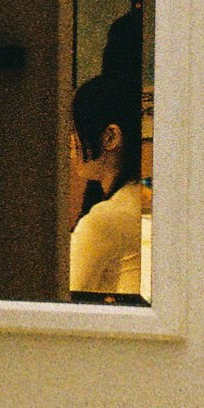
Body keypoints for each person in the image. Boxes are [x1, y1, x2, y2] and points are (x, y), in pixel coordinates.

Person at [68, 70, 143, 299]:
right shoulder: (143, 199)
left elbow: (62, 299)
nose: (71, 143)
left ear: (110, 137)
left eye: (75, 131)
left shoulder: (104, 220)